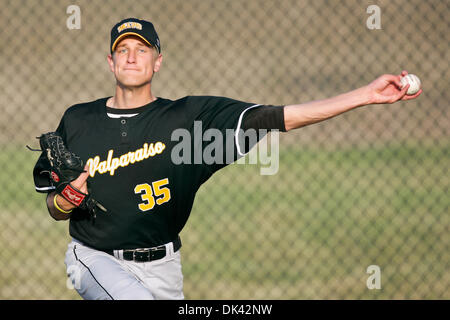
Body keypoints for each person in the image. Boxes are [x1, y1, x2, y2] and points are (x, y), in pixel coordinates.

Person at [32, 18, 421, 300]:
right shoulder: (78, 120)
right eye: (122, 50)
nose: (132, 57)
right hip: (95, 257)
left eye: (142, 49)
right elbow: (53, 205)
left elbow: (277, 117)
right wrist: (63, 202)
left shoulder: (188, 122)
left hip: (164, 267)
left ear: (158, 61)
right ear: (110, 62)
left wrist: (364, 95)